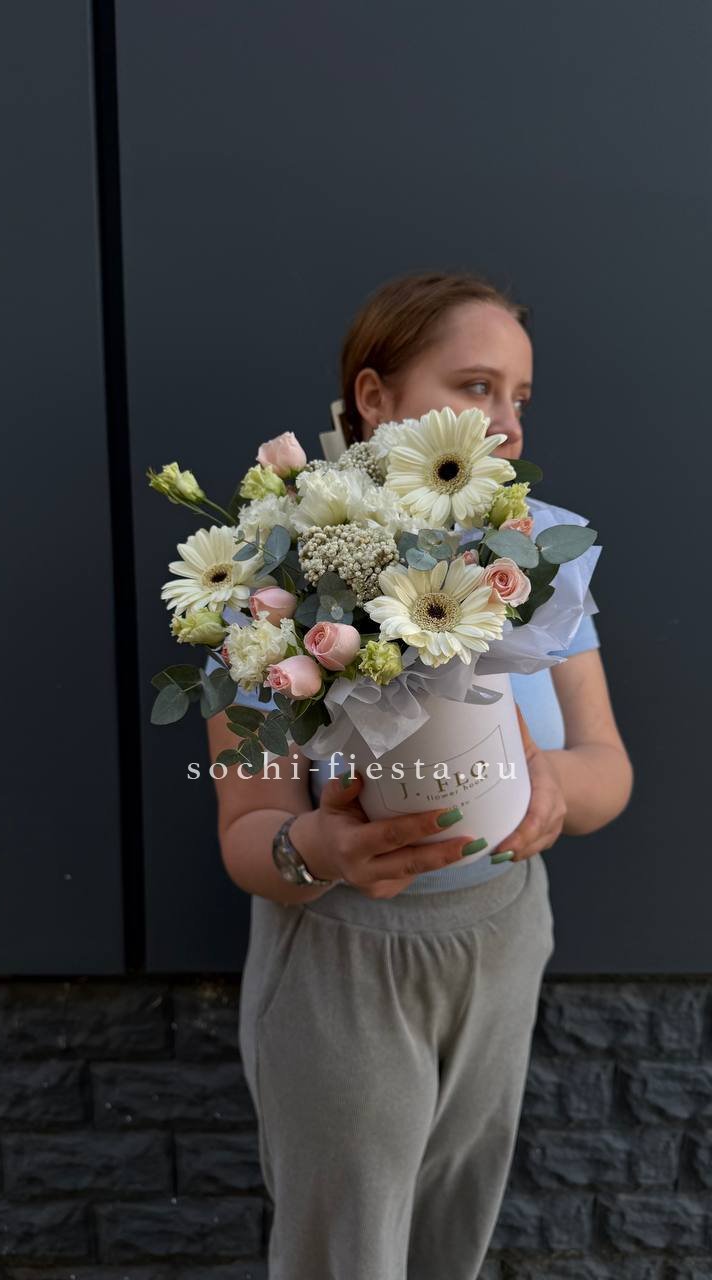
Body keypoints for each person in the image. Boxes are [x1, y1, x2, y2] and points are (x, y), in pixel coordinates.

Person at [206, 271, 634, 1279]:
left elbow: (608, 765)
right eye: (477, 386)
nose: (509, 422)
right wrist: (320, 847)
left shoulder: (537, 561)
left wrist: (557, 791)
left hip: (504, 933)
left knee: (453, 1241)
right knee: (344, 1255)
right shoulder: (272, 579)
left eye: (520, 396)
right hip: (346, 953)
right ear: (375, 397)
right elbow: (247, 829)